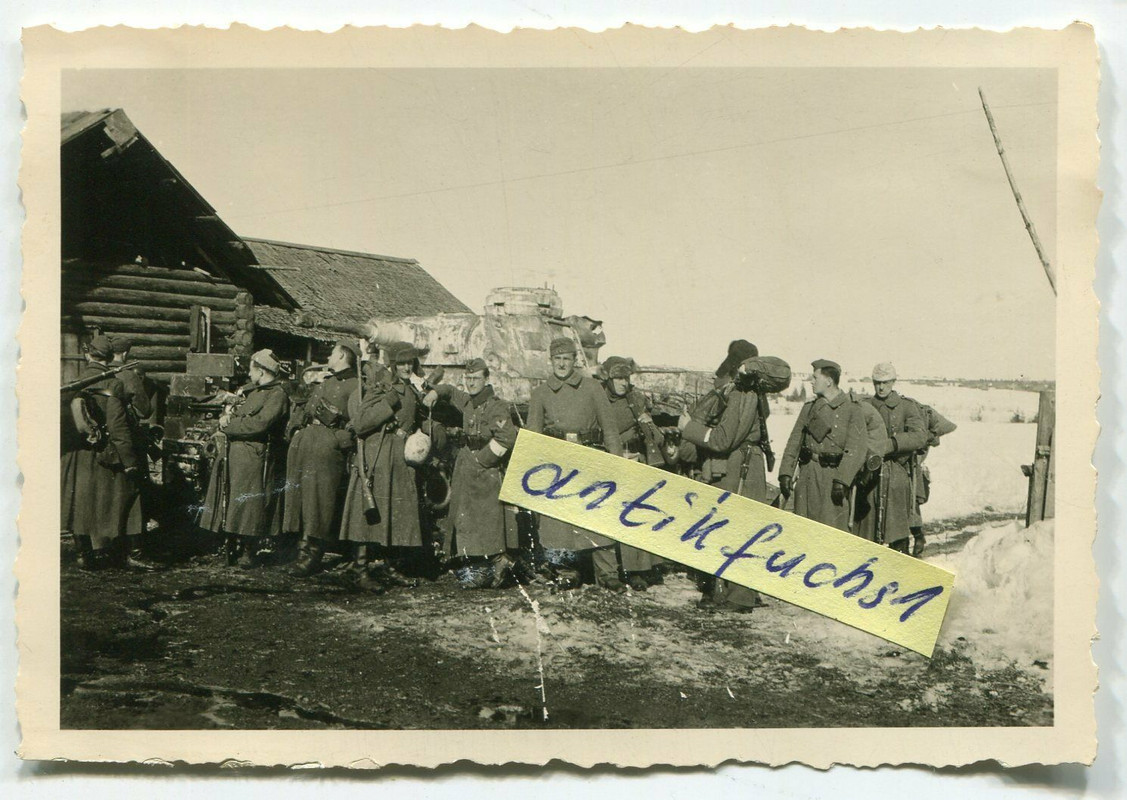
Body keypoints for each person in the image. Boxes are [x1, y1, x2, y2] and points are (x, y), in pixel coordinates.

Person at [526, 337, 624, 591]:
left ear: (574, 361)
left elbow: (610, 428)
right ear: (551, 361)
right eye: (557, 359)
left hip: (590, 456)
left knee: (597, 514)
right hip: (556, 462)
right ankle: (566, 571)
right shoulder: (541, 393)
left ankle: (607, 572)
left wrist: (616, 462)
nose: (561, 364)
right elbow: (533, 436)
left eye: (566, 359)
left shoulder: (593, 388)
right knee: (556, 521)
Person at [678, 342, 770, 611]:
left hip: (737, 466)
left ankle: (739, 597)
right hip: (736, 465)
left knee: (739, 529)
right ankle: (730, 591)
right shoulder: (749, 392)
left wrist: (688, 428)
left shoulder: (743, 394)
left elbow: (722, 439)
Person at [422, 357, 521, 588]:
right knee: (468, 519)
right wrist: (435, 392)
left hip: (485, 470)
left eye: (476, 379)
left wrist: (483, 460)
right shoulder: (468, 401)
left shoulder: (497, 406)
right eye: (468, 378)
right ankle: (483, 566)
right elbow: (450, 391)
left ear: (486, 380)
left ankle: (494, 563)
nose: (471, 383)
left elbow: (507, 438)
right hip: (467, 467)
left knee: (486, 521)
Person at [339, 342, 424, 589]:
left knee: (395, 513)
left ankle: (391, 566)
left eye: (410, 362)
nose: (407, 367)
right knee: (369, 513)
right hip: (379, 455)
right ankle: (359, 568)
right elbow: (360, 423)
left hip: (399, 458)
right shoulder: (385, 388)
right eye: (402, 363)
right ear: (394, 365)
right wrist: (388, 404)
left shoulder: (410, 390)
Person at [60, 334, 149, 570]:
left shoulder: (74, 381)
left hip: (79, 454)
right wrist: (129, 459)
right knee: (128, 496)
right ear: (110, 358)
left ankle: (84, 554)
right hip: (105, 453)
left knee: (81, 501)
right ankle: (129, 554)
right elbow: (117, 425)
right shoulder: (113, 383)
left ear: (87, 355)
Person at [199, 349, 291, 568]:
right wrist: (229, 416)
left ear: (261, 371)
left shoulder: (277, 395)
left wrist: (229, 425)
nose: (249, 375)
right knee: (232, 502)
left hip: (255, 457)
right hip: (236, 455)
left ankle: (249, 548)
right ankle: (231, 543)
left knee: (250, 505)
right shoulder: (253, 392)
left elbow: (259, 424)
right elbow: (242, 415)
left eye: (251, 370)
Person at [285, 340, 361, 577]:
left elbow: (356, 424)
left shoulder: (355, 386)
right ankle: (301, 548)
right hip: (307, 445)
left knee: (319, 501)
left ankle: (312, 554)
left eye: (332, 354)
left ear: (341, 357)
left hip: (325, 450)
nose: (328, 357)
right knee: (302, 498)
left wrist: (337, 440)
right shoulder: (326, 382)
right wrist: (296, 430)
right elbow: (306, 409)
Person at [600, 355, 666, 590]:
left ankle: (637, 569)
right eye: (617, 378)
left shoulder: (635, 400)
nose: (622, 383)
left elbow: (657, 437)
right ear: (608, 378)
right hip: (609, 460)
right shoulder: (599, 399)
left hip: (635, 461)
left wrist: (646, 424)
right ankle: (610, 569)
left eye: (625, 378)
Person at [777, 359, 867, 532]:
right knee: (803, 531)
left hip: (833, 479)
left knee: (831, 531)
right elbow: (794, 441)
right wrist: (786, 472)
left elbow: (856, 449)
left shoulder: (852, 410)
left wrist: (842, 479)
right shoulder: (809, 408)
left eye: (815, 377)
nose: (811, 381)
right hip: (807, 476)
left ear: (828, 381)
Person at [852, 362, 930, 552]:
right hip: (869, 469)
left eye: (885, 382)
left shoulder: (907, 407)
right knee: (866, 522)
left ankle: (900, 552)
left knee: (896, 522)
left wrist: (892, 444)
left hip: (897, 467)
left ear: (893, 381)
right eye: (877, 382)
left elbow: (919, 436)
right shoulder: (866, 406)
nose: (881, 387)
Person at [905, 400, 957, 556]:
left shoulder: (921, 414)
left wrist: (927, 437)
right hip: (903, 463)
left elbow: (947, 427)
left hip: (912, 465)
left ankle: (915, 538)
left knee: (910, 505)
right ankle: (914, 538)